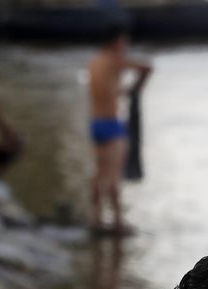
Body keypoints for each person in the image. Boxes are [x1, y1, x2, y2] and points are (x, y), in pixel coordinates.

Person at [87, 28, 151, 235]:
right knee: (114, 176)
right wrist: (136, 88)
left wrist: (124, 90)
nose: (125, 47)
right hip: (112, 124)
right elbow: (147, 67)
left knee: (100, 173)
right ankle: (117, 222)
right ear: (115, 43)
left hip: (96, 123)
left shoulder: (94, 62)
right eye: (124, 43)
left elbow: (106, 89)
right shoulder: (115, 61)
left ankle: (96, 219)